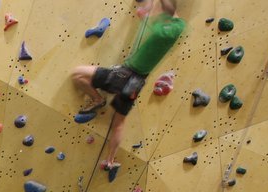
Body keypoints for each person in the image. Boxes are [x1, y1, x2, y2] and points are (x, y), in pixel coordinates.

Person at [70, 0, 186, 174]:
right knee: (119, 123)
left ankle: (97, 99)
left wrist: (145, 15)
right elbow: (170, 11)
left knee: (77, 74)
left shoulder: (163, 32)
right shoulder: (177, 27)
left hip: (125, 75)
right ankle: (110, 160)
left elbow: (163, 13)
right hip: (137, 82)